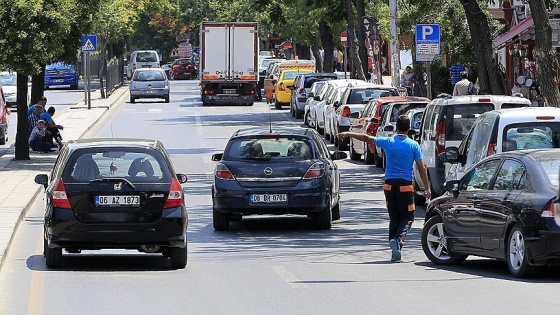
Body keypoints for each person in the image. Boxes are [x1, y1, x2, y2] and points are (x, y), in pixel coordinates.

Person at [339, 115, 431, 262]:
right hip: (405, 186)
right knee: (407, 217)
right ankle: (398, 239)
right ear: (408, 128)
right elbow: (421, 169)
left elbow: (367, 138)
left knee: (394, 217)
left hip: (389, 186)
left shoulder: (388, 142)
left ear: (396, 127)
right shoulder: (413, 145)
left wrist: (348, 133)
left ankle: (395, 248)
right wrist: (427, 189)